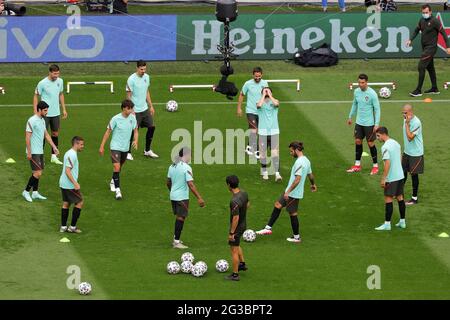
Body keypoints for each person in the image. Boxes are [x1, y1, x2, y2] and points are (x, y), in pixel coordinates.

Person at [256, 141, 317, 243]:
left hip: (293, 193)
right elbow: (310, 175)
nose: (290, 153)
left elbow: (297, 179)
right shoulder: (306, 160)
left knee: (293, 213)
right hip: (289, 191)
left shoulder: (299, 162)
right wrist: (313, 184)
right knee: (277, 205)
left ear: (297, 150)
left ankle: (296, 237)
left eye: (291, 151)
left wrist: (288, 192)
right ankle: (268, 228)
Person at [407, 4, 450, 97]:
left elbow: (444, 34)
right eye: (423, 13)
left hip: (431, 48)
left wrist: (448, 47)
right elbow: (416, 30)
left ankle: (418, 90)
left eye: (426, 12)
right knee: (430, 68)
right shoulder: (421, 20)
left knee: (421, 67)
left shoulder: (435, 21)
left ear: (430, 12)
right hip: (425, 48)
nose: (425, 14)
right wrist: (410, 39)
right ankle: (435, 88)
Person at [99, 99, 138, 200]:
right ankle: (118, 191)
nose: (131, 110)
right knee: (116, 167)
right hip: (115, 147)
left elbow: (136, 130)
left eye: (131, 109)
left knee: (119, 168)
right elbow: (108, 132)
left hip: (125, 148)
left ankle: (113, 180)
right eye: (129, 108)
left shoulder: (133, 118)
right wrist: (102, 146)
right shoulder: (115, 119)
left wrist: (136, 141)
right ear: (124, 108)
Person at [167, 147, 205, 249]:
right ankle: (176, 242)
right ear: (186, 155)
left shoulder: (172, 166)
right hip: (182, 197)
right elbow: (190, 184)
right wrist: (199, 198)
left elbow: (168, 182)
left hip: (173, 196)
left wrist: (172, 191)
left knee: (178, 217)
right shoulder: (186, 167)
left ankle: (176, 238)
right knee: (181, 218)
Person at [22, 101, 59, 202]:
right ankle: (26, 191)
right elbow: (27, 138)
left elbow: (46, 135)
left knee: (38, 172)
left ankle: (35, 193)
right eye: (45, 110)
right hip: (33, 151)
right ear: (39, 110)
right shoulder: (32, 120)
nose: (47, 112)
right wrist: (29, 152)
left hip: (40, 151)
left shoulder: (42, 120)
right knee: (38, 173)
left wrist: (54, 147)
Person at [346, 74, 380, 175]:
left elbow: (377, 109)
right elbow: (354, 104)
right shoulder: (356, 92)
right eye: (359, 82)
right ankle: (357, 165)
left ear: (366, 82)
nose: (360, 84)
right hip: (359, 122)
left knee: (370, 143)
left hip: (369, 123)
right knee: (357, 141)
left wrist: (376, 123)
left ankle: (375, 166)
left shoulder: (372, 94)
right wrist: (350, 116)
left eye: (362, 82)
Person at [33, 64, 67, 165]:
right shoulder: (42, 83)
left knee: (55, 134)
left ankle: (54, 157)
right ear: (50, 72)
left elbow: (61, 94)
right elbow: (35, 96)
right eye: (55, 73)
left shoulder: (60, 81)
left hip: (56, 113)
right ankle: (39, 157)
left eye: (58, 73)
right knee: (42, 135)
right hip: (44, 114)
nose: (56, 75)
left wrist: (64, 109)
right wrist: (36, 112)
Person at [375, 127, 406, 231]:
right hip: (400, 175)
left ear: (383, 134)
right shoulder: (396, 143)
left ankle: (387, 224)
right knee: (400, 197)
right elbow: (400, 157)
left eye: (378, 136)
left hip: (391, 178)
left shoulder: (385, 147)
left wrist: (384, 178)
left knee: (388, 199)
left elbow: (387, 163)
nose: (377, 138)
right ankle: (402, 221)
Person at [126, 60, 158, 160]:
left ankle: (147, 150)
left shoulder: (147, 77)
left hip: (144, 109)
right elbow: (128, 96)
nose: (143, 71)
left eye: (144, 69)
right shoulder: (131, 79)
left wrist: (151, 105)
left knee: (152, 127)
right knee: (133, 130)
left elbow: (146, 91)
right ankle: (128, 152)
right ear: (137, 68)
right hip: (135, 110)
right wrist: (131, 109)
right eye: (141, 69)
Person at [237, 67, 268, 157]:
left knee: (259, 131)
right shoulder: (248, 84)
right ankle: (256, 150)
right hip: (250, 110)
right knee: (254, 130)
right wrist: (239, 108)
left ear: (262, 75)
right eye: (256, 76)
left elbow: (266, 95)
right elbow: (242, 95)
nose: (257, 78)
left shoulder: (265, 83)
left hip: (261, 111)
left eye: (259, 76)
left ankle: (249, 147)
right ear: (253, 75)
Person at [225, 175, 249, 281]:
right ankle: (242, 264)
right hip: (244, 224)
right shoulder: (244, 193)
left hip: (237, 227)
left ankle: (235, 274)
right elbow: (248, 204)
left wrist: (231, 233)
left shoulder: (234, 201)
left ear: (229, 185)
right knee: (237, 244)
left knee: (233, 249)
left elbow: (235, 218)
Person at [59, 136, 85, 234]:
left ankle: (63, 227)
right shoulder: (72, 155)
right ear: (76, 144)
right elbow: (67, 171)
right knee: (80, 202)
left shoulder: (69, 153)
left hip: (64, 183)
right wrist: (75, 183)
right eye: (81, 144)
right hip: (69, 185)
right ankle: (72, 227)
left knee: (66, 203)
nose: (83, 146)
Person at [256, 87, 282, 182]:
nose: (266, 92)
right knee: (263, 153)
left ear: (271, 92)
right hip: (262, 132)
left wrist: (270, 95)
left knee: (275, 153)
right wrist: (263, 95)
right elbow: (258, 106)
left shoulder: (275, 101)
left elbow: (276, 104)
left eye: (268, 90)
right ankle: (265, 172)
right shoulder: (259, 102)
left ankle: (277, 174)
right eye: (264, 90)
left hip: (274, 132)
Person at [401, 104, 424, 206]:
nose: (403, 115)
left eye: (405, 113)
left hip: (416, 153)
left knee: (414, 175)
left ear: (410, 112)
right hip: (407, 152)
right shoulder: (406, 119)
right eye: (402, 113)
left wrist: (407, 124)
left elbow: (410, 137)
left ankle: (414, 198)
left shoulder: (416, 122)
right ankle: (398, 192)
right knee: (403, 173)